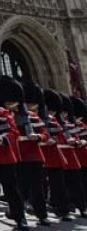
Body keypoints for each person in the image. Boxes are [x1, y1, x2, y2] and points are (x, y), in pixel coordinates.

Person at [0, 76, 28, 230]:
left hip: (4, 157)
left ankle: (20, 218)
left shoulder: (2, 113)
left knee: (12, 190)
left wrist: (2, 139)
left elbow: (14, 132)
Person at [18, 80, 52, 226]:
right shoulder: (9, 115)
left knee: (37, 188)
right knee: (20, 189)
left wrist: (38, 137)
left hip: (34, 155)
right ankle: (19, 216)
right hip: (18, 156)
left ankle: (42, 214)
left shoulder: (32, 116)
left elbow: (44, 133)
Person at [43, 89, 73, 221]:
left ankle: (63, 207)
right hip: (44, 155)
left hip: (53, 155)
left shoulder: (55, 121)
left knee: (58, 183)